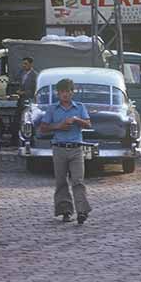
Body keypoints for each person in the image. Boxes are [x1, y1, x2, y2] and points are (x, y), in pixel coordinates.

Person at [38, 78, 92, 224]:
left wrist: (76, 120)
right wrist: (58, 126)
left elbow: (88, 124)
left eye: (68, 91)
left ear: (72, 93)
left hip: (76, 149)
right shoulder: (52, 109)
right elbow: (43, 128)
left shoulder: (79, 107)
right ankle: (65, 210)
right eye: (62, 92)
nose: (65, 95)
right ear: (58, 93)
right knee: (61, 181)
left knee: (78, 181)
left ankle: (82, 211)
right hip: (59, 148)